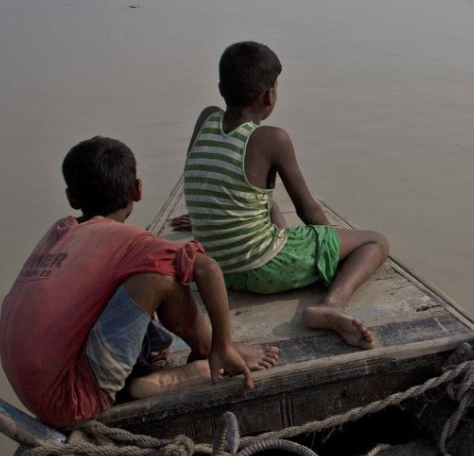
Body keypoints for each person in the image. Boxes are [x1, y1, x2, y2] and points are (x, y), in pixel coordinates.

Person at [0, 137, 279, 428]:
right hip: (74, 399)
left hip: (31, 388)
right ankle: (211, 351)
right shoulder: (130, 241)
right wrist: (225, 343)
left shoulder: (61, 232)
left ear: (72, 198)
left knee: (128, 276)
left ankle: (137, 378)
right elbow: (207, 268)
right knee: (162, 273)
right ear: (137, 189)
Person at [177, 41, 387, 350]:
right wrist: (328, 250)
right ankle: (332, 305)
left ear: (222, 87)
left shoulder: (206, 118)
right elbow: (308, 210)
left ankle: (286, 251)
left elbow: (211, 178)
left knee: (270, 203)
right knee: (375, 241)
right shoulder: (271, 138)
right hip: (259, 269)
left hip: (217, 269)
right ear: (269, 95)